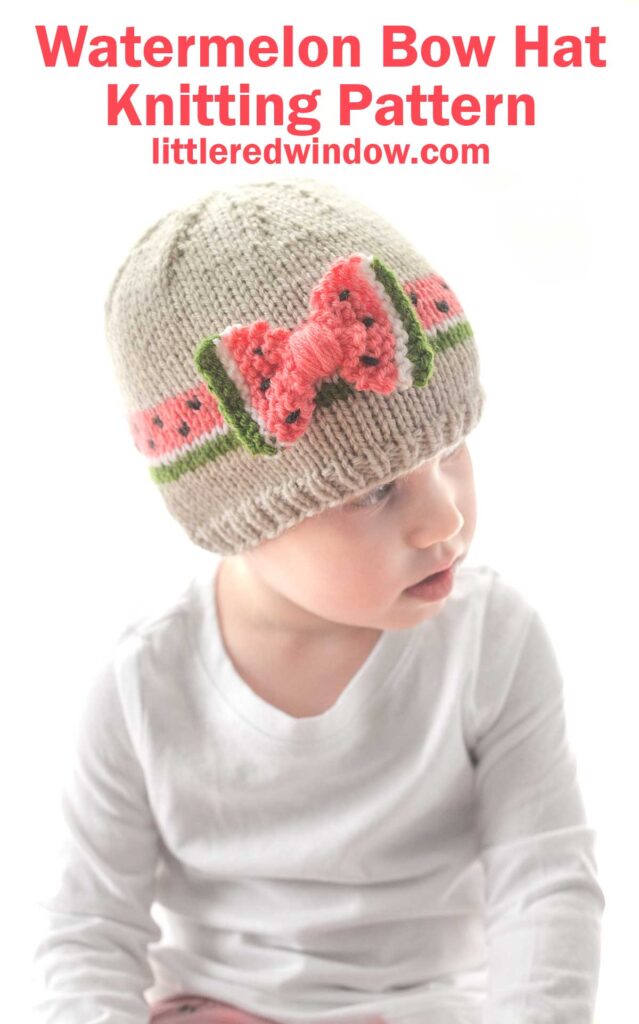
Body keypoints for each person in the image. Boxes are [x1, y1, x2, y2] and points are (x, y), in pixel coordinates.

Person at [30, 179, 604, 1024]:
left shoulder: (493, 639)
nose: (443, 518)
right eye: (373, 493)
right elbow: (88, 927)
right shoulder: (142, 681)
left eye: (452, 452)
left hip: (421, 1007)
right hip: (213, 1005)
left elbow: (544, 881)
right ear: (239, 519)